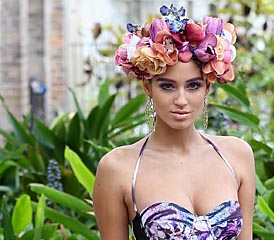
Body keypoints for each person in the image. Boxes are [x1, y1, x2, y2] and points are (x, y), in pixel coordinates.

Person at [93, 4, 256, 240]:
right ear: (148, 87)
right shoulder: (119, 169)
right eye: (167, 86)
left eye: (193, 86)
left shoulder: (237, 156)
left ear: (207, 87)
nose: (181, 100)